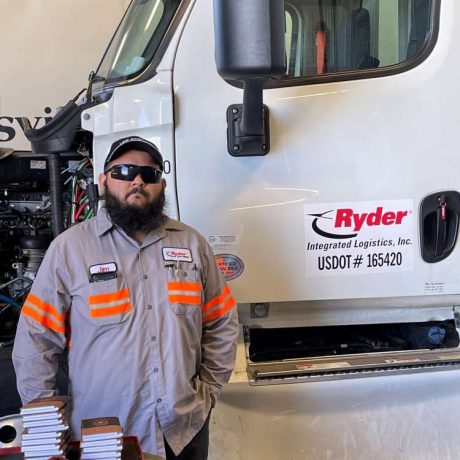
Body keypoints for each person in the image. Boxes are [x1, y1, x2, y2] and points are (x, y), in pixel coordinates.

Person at [12, 136, 239, 459]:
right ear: (103, 180)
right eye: (124, 171)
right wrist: (47, 427)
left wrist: (208, 390)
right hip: (104, 435)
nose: (137, 181)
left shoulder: (192, 245)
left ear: (160, 185)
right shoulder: (70, 249)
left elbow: (221, 322)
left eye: (148, 174)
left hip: (183, 427)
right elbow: (36, 338)